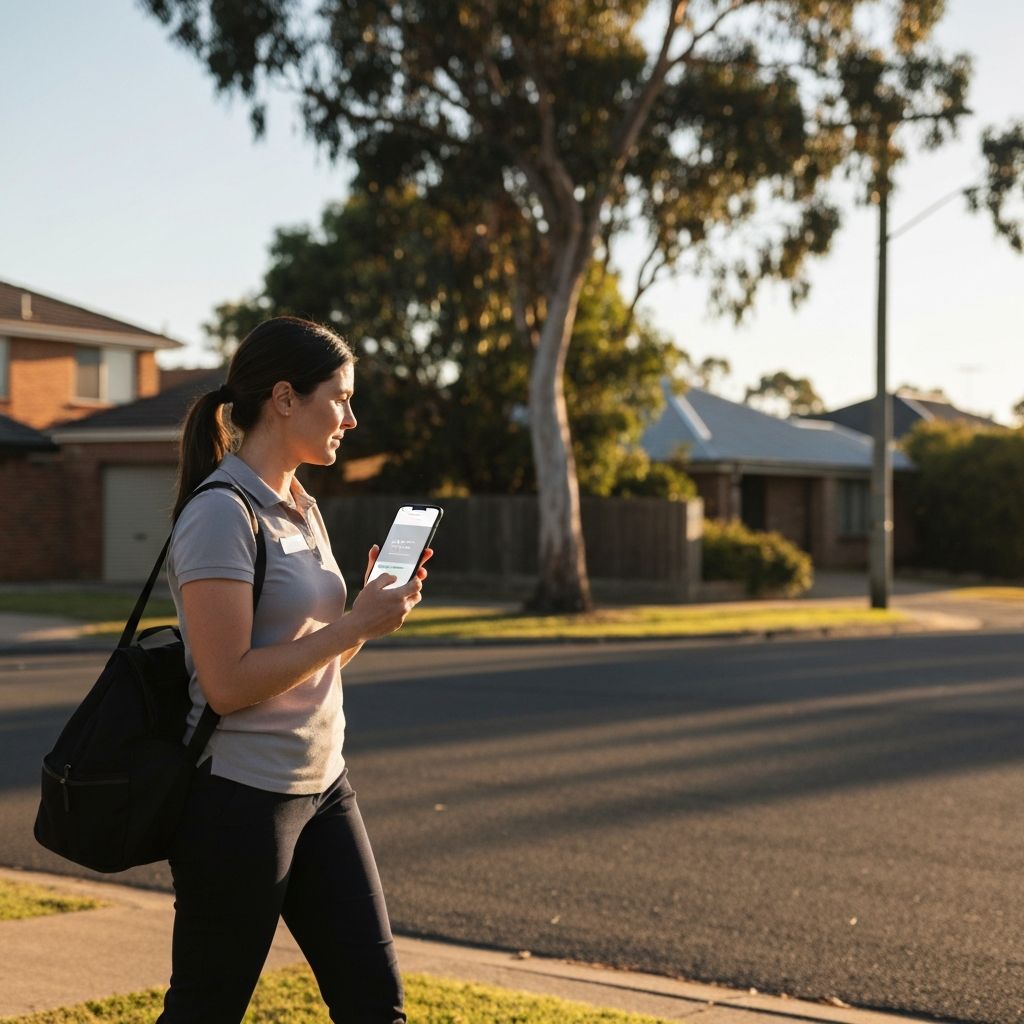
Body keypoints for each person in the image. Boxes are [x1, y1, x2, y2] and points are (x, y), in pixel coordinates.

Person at [157, 316, 425, 1024]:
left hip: (324, 786)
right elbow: (228, 682)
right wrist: (350, 624)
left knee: (376, 1006)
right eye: (339, 397)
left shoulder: (303, 507)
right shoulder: (221, 512)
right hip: (240, 801)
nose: (351, 416)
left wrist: (366, 616)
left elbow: (324, 656)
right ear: (283, 398)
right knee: (204, 1011)